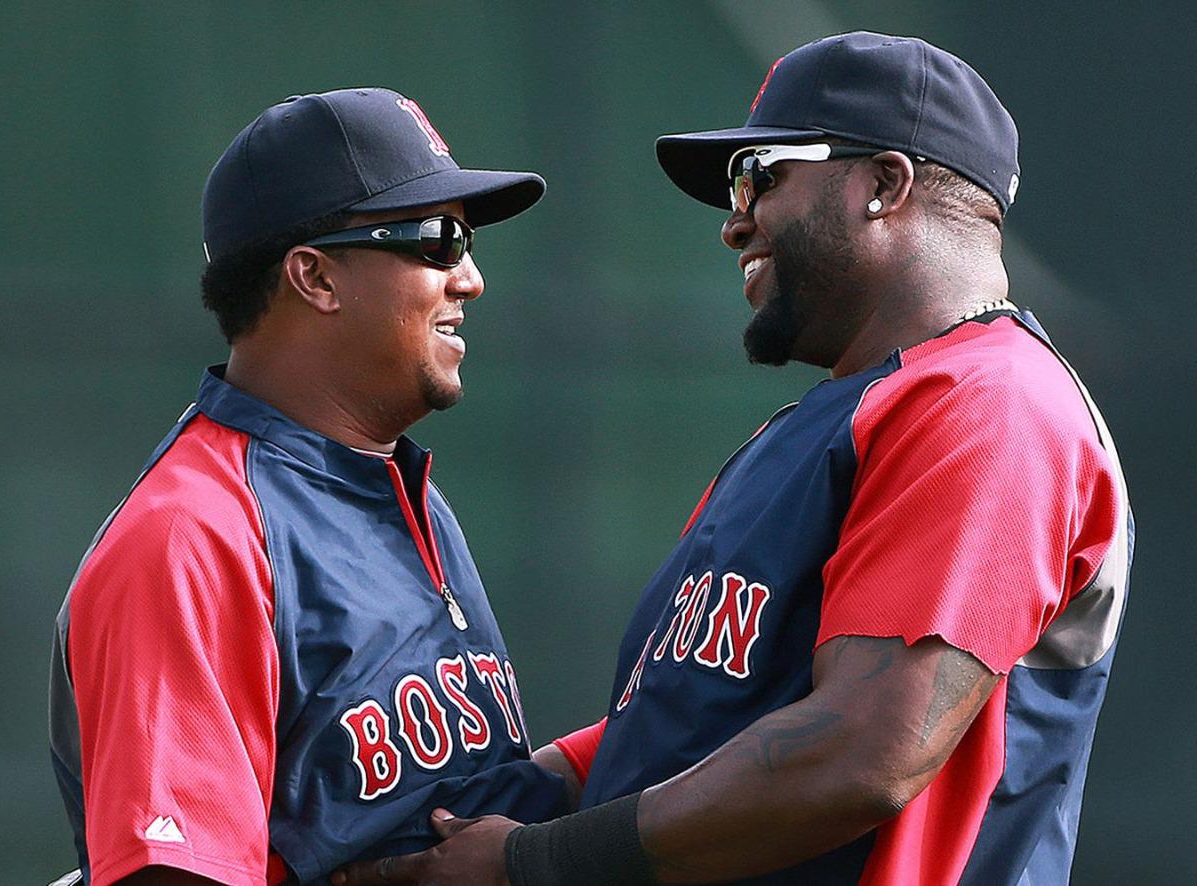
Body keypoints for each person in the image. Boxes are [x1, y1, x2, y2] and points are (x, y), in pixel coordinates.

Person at [334, 32, 1133, 886]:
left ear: (884, 185)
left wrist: (529, 862)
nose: (734, 219)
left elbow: (866, 753)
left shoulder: (989, 401)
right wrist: (525, 792)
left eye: (763, 174)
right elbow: (701, 714)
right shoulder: (824, 426)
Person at [47, 88, 577, 886]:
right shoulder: (195, 532)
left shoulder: (403, 490)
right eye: (438, 239)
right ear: (315, 278)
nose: (469, 278)